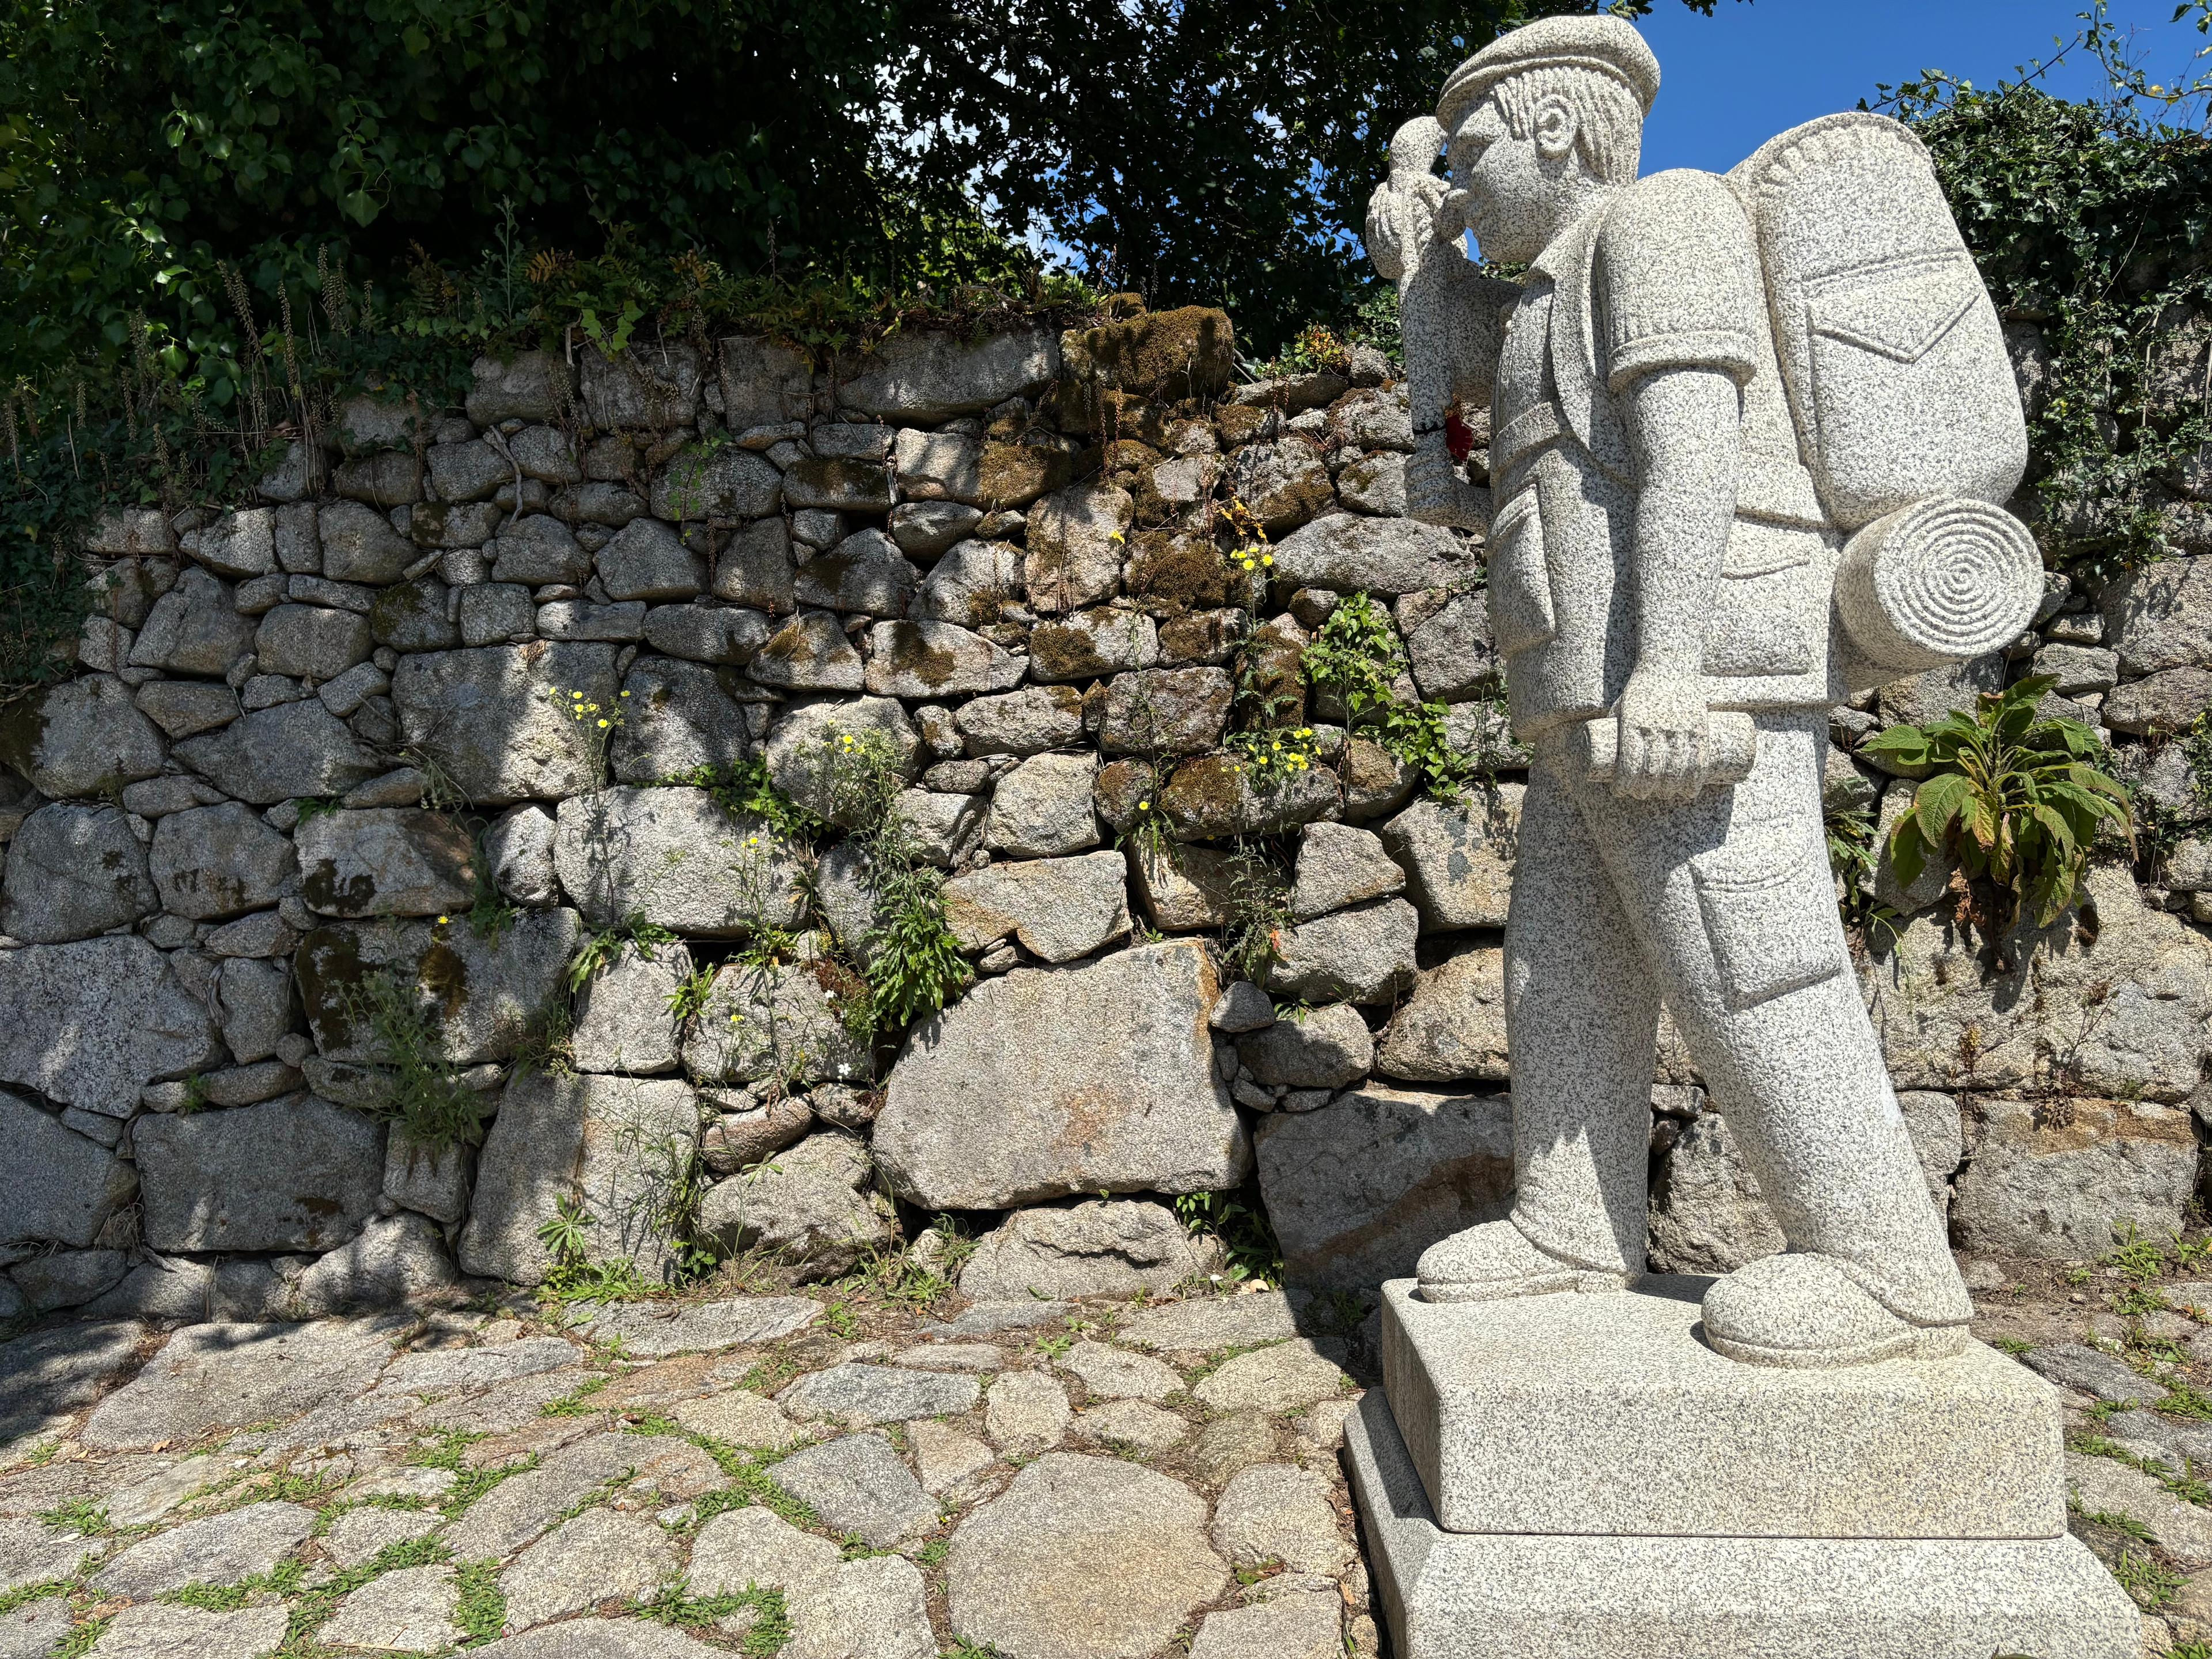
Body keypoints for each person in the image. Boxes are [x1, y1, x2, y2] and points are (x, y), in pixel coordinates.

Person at [1362, 14, 1974, 1368]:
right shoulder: (1541, 295)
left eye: (1471, 156)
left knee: (1752, 964)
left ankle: (1887, 1271)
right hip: (1591, 696)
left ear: (1561, 128)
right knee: (1560, 965)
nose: (1462, 188)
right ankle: (1576, 1226)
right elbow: (1462, 364)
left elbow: (1693, 449)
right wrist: (1420, 260)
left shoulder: (1665, 225)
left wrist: (1673, 669)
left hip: (1696, 685)